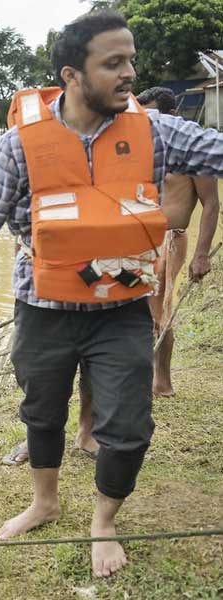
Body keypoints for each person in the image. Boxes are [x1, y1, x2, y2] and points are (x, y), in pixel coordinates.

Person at [0, 11, 223, 577]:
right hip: (44, 310)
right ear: (73, 75)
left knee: (130, 424)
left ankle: (104, 522)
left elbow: (217, 151)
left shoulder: (156, 131)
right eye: (113, 63)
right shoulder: (19, 145)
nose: (129, 74)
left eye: (132, 61)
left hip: (120, 310)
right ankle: (44, 502)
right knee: (42, 412)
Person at [136, 86, 220, 397]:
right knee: (135, 310)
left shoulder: (192, 148)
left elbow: (211, 203)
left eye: (155, 115)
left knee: (158, 309)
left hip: (170, 238)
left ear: (172, 115)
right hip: (139, 239)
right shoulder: (145, 146)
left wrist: (202, 254)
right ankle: (143, 380)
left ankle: (163, 382)